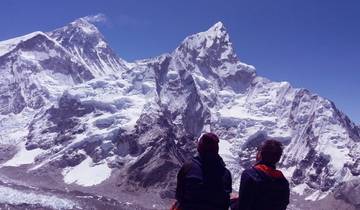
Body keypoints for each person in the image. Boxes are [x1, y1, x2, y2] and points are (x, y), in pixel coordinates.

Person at [173, 133, 232, 210]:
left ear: (199, 148)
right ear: (216, 150)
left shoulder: (188, 167)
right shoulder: (225, 174)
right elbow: (225, 203)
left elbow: (179, 195)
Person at [236, 140, 290, 210]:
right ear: (278, 158)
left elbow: (243, 206)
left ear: (260, 155)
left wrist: (233, 202)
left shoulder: (249, 175)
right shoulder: (283, 182)